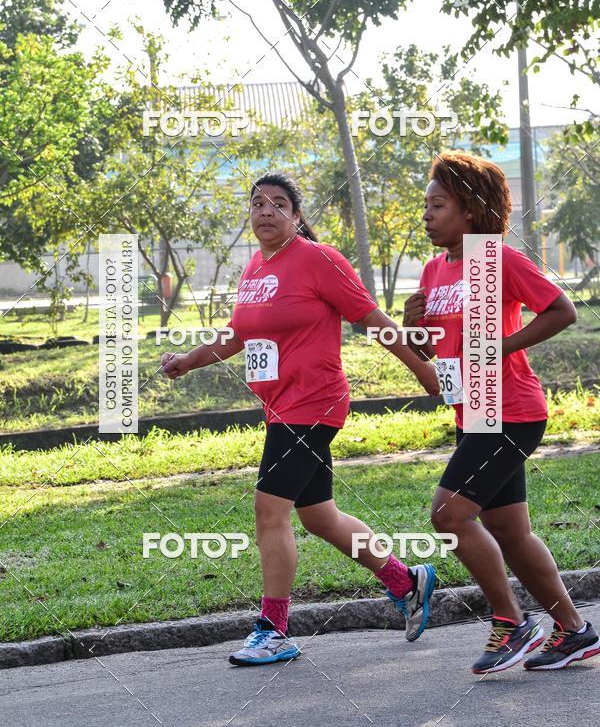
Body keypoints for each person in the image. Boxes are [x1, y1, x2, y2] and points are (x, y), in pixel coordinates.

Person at [162, 172, 441, 666]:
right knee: (319, 516)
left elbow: (371, 319)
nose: (265, 211)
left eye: (277, 203)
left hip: (314, 404)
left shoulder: (318, 259)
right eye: (257, 203)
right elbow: (237, 334)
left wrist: (422, 369)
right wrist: (189, 360)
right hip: (280, 407)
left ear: (296, 215)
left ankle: (274, 630)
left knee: (269, 511)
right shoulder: (256, 267)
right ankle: (406, 581)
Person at [403, 150, 599, 673]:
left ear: (469, 210)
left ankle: (511, 621)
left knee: (448, 515)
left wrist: (501, 347)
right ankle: (575, 632)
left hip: (510, 407)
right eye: (426, 205)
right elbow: (435, 350)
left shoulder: (496, 260)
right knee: (510, 531)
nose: (426, 215)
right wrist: (411, 325)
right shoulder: (434, 269)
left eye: (438, 205)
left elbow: (561, 309)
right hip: (473, 412)